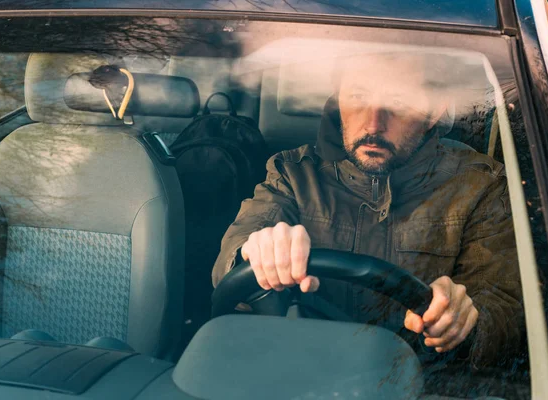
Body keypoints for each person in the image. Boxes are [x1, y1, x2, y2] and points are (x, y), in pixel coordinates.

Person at [212, 52, 524, 369]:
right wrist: (256, 252)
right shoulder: (293, 173)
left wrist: (467, 320)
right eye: (358, 95)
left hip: (426, 383)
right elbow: (234, 254)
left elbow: (505, 311)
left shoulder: (479, 186)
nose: (374, 122)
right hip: (298, 372)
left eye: (399, 101)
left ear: (433, 112)